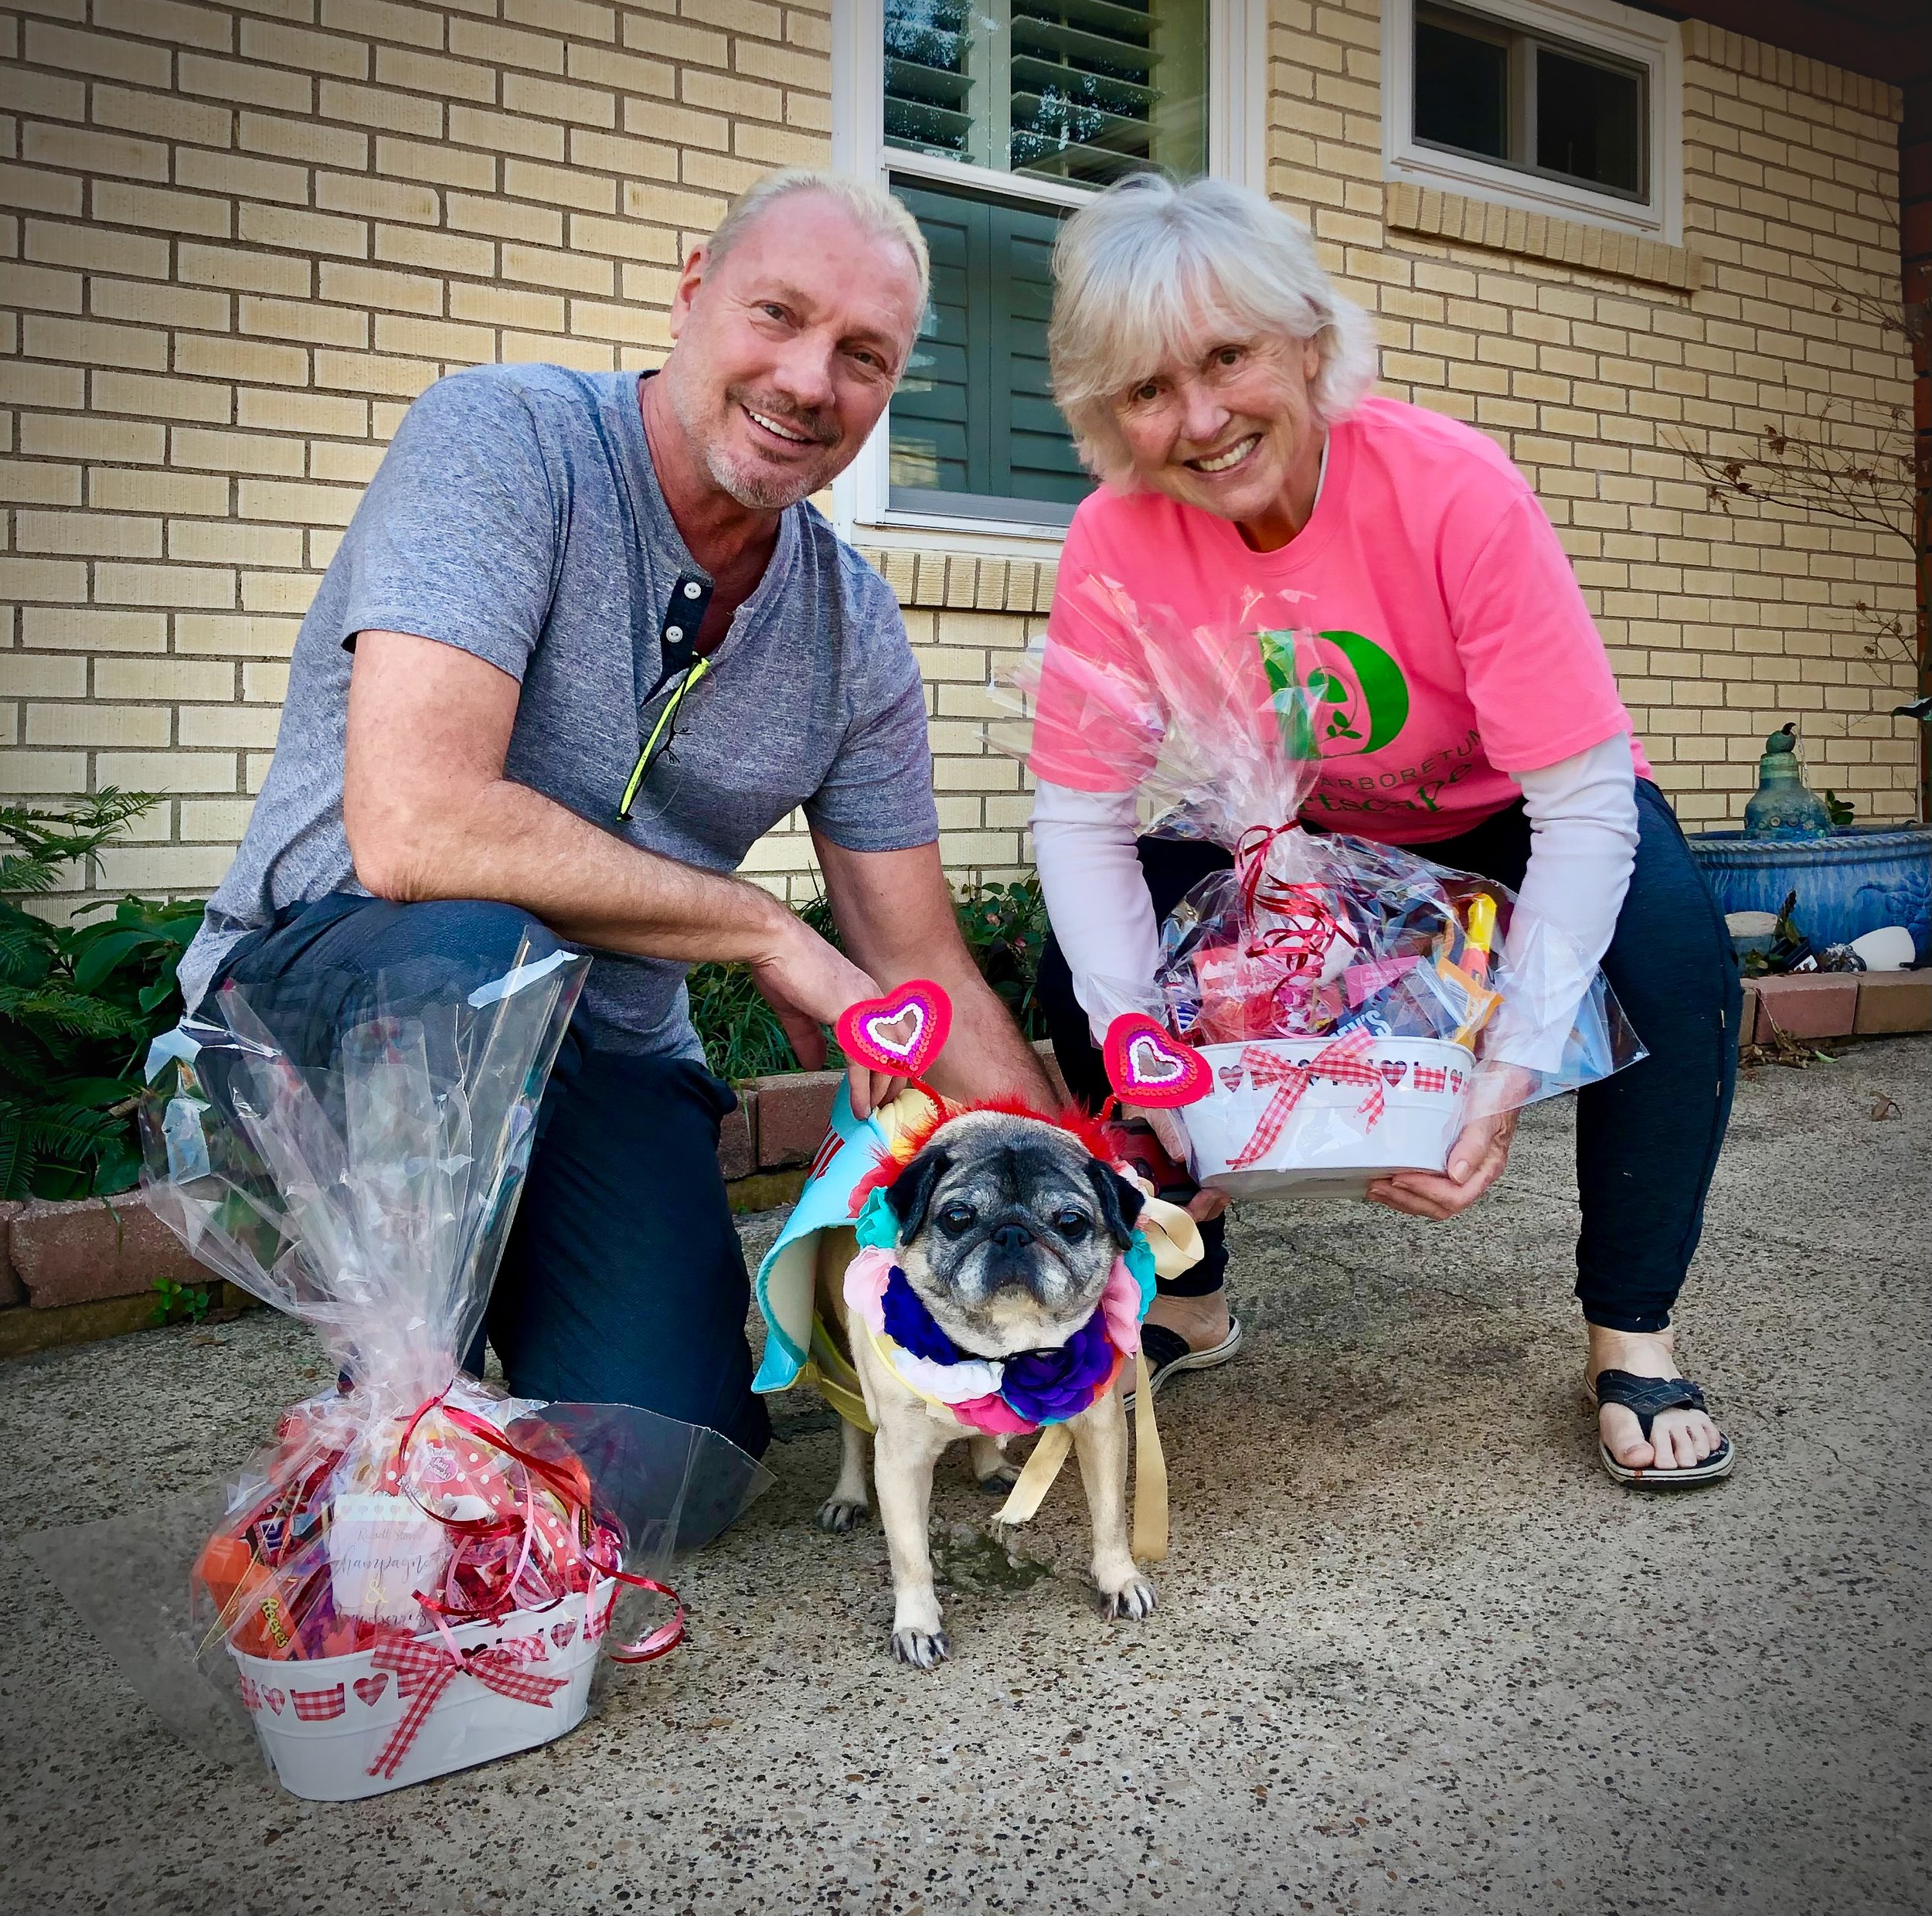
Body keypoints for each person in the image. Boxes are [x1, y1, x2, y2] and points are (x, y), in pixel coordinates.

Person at [175, 167, 1056, 1460]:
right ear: (694, 293)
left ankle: (532, 1365)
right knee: (474, 948)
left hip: (610, 1055)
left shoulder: (852, 626)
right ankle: (391, 1409)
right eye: (777, 316)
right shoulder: (507, 442)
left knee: (665, 1467)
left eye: (864, 356)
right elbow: (418, 828)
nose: (811, 382)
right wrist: (760, 929)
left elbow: (919, 963)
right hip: (342, 993)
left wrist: (1092, 1175)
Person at [1026, 175, 1738, 1486]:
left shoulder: (1451, 489)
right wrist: (1140, 1050)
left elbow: (1583, 807)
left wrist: (1507, 1069)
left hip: (1522, 810)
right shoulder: (1111, 540)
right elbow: (1079, 819)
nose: (1200, 420)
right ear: (1104, 413)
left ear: (1306, 340)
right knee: (1091, 969)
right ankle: (1189, 1289)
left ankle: (1632, 1332)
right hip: (1298, 821)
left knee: (1677, 973)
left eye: (1228, 357)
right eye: (1145, 389)